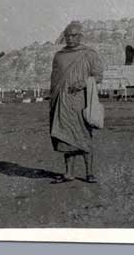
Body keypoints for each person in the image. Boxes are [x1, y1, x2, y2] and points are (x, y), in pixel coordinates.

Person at [49, 21, 104, 184]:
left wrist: (83, 83)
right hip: (61, 103)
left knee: (84, 136)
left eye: (74, 35)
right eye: (67, 36)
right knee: (66, 138)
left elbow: (99, 76)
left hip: (80, 102)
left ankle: (89, 173)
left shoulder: (89, 54)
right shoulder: (59, 56)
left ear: (80, 36)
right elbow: (54, 80)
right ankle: (68, 173)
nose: (70, 39)